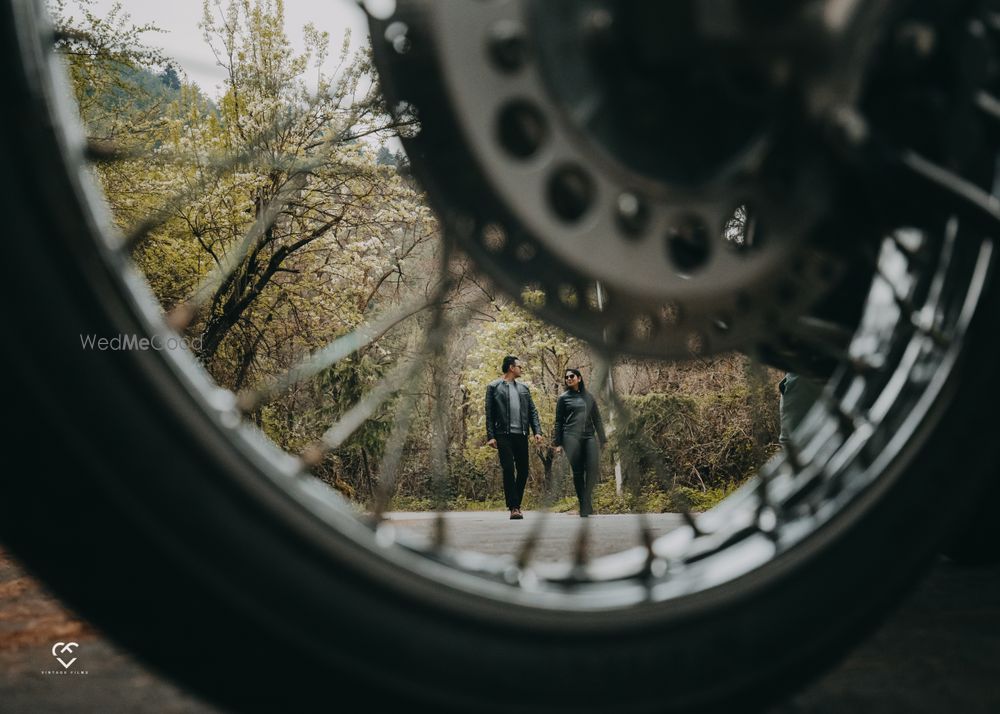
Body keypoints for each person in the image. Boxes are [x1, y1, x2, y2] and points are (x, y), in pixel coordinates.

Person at [485, 355, 543, 520]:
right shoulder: (493, 387)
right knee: (509, 469)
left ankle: (515, 502)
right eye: (519, 366)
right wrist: (491, 436)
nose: (521, 369)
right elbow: (489, 413)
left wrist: (537, 431)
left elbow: (532, 411)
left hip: (522, 435)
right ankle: (514, 507)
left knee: (523, 471)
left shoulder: (524, 388)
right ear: (511, 367)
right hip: (503, 434)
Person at [553, 368, 606, 517]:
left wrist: (603, 439)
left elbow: (597, 419)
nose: (569, 379)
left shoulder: (589, 397)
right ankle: (583, 504)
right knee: (577, 471)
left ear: (579, 378)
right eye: (566, 377)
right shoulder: (563, 398)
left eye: (572, 376)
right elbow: (558, 422)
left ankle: (586, 499)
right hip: (570, 437)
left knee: (592, 468)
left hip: (589, 436)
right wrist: (558, 443)